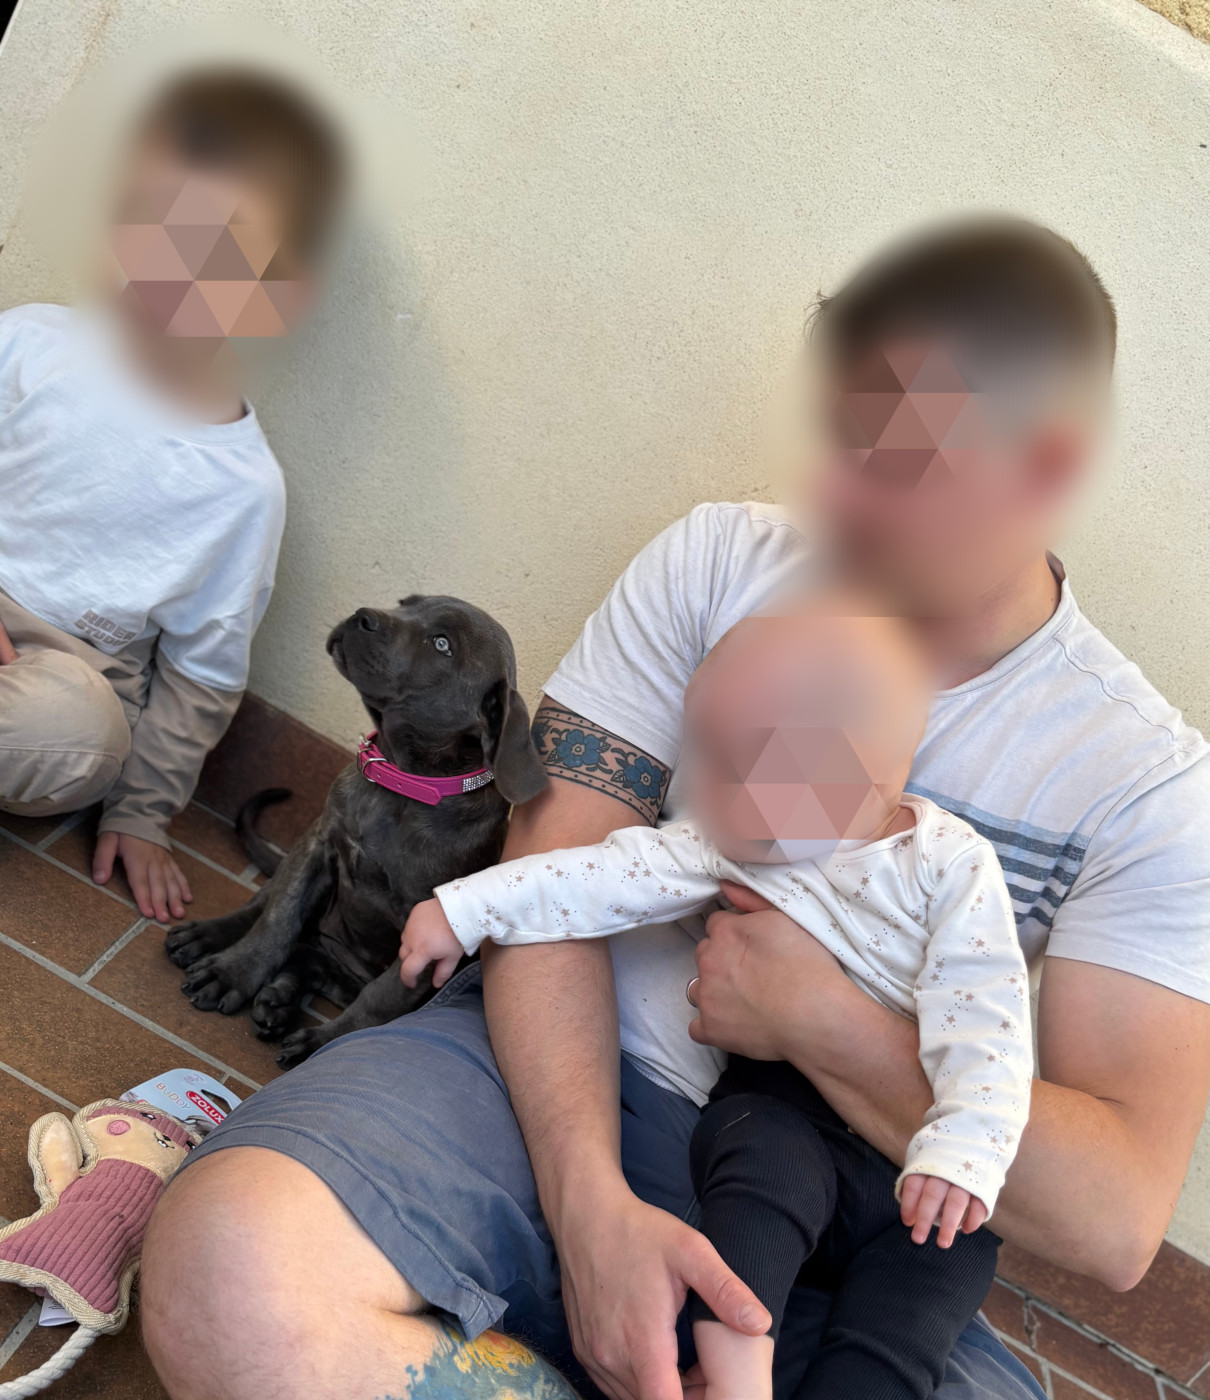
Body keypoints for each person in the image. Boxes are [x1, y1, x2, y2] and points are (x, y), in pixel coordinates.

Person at [141, 217, 1210, 1400]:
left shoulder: (1141, 782)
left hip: (846, 1220)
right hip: (554, 1080)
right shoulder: (718, 563)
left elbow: (1112, 1218)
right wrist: (588, 1203)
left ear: (1045, 466)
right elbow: (559, 860)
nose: (838, 498)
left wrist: (824, 1023)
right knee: (226, 1276)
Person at [399, 602, 1034, 1400]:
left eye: (737, 767)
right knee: (757, 1186)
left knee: (935, 1277)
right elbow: (600, 876)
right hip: (785, 1115)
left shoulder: (949, 866)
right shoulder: (738, 840)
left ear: (857, 776)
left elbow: (989, 1019)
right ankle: (737, 1368)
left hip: (912, 1151)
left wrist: (964, 1151)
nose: (703, 788)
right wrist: (466, 909)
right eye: (706, 755)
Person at [0, 64, 346, 923]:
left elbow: (201, 675)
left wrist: (142, 812)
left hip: (67, 672)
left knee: (76, 736)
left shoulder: (244, 491)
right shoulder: (32, 344)